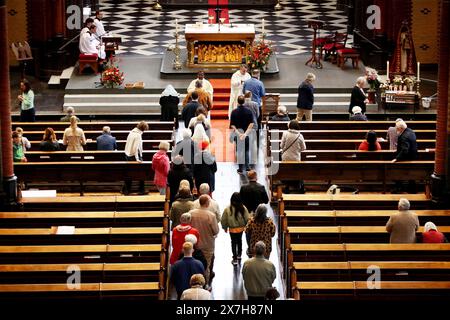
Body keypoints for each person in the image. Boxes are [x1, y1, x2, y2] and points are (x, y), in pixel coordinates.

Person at [189, 195, 220, 285]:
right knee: (206, 265)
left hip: (194, 243)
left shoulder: (191, 213)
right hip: (207, 244)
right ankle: (205, 284)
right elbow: (216, 231)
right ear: (207, 204)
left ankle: (194, 283)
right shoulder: (211, 216)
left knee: (194, 264)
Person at [221, 192, 250, 265]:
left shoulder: (227, 209)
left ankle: (234, 258)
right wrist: (247, 227)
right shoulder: (243, 208)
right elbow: (247, 218)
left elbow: (223, 219)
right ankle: (239, 254)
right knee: (239, 240)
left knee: (233, 242)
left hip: (232, 229)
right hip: (241, 228)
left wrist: (225, 227)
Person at [122, 121, 149, 195]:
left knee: (128, 173)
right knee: (141, 173)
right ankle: (141, 189)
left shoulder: (131, 132)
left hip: (128, 154)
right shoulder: (138, 135)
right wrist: (138, 159)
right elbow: (136, 148)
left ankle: (126, 189)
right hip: (134, 156)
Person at [230, 96, 255, 174]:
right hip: (247, 134)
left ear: (237, 102)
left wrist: (239, 133)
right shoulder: (249, 111)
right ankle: (247, 167)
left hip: (238, 134)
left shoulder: (234, 112)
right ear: (244, 102)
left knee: (239, 150)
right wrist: (245, 134)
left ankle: (240, 169)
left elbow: (232, 125)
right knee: (247, 150)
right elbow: (251, 124)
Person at [392, 120, 418, 193]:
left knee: (397, 171)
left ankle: (398, 189)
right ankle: (412, 189)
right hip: (414, 156)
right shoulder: (410, 131)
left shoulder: (403, 136)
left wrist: (396, 158)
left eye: (396, 128)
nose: (396, 129)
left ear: (400, 128)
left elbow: (405, 150)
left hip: (407, 158)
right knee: (411, 175)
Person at [280, 120, 307, 193]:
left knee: (287, 171)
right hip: (296, 157)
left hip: (286, 156)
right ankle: (300, 187)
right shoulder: (300, 135)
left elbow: (281, 146)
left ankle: (287, 187)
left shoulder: (285, 133)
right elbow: (303, 148)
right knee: (296, 171)